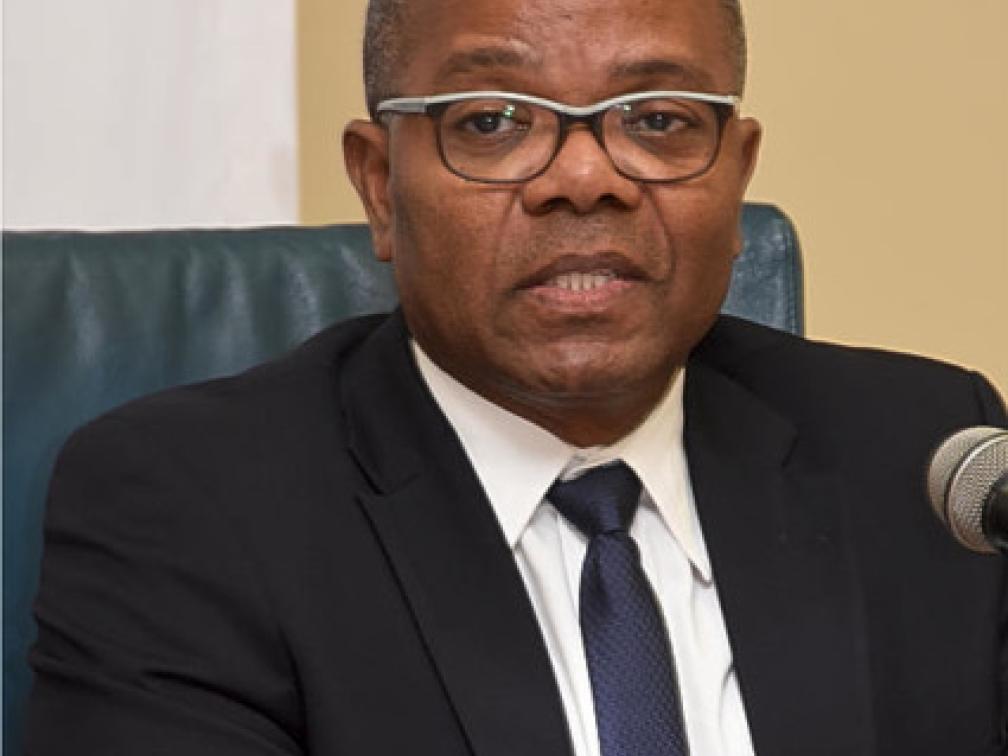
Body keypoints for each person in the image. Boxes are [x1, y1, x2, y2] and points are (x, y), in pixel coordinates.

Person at [25, 0, 1007, 754]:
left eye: (658, 119)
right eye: (493, 121)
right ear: (379, 182)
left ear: (737, 173)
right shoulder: (190, 506)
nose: (585, 178)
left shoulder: (931, 464)